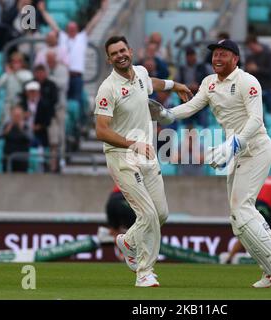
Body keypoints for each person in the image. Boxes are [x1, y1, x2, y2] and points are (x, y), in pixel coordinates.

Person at [161, 39, 271, 288]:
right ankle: (270, 267)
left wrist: (234, 143)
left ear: (235, 58)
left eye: (223, 54)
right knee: (237, 218)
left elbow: (256, 120)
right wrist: (167, 114)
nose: (217, 59)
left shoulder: (248, 81)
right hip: (235, 151)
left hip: (255, 148)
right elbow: (192, 106)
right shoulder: (209, 83)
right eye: (214, 55)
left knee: (242, 207)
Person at [94, 36, 192, 287]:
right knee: (147, 214)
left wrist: (176, 84)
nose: (120, 55)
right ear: (109, 59)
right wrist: (131, 143)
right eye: (114, 53)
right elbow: (101, 131)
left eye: (122, 50)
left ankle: (127, 242)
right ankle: (144, 272)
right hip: (122, 156)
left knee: (160, 214)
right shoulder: (108, 88)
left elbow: (151, 83)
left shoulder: (139, 73)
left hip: (146, 155)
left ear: (131, 51)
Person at [39, 0, 109, 124]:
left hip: (77, 76)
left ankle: (80, 125)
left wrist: (102, 10)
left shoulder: (81, 38)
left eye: (74, 28)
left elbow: (93, 24)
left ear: (77, 29)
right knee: (63, 103)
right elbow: (52, 24)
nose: (71, 30)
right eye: (69, 28)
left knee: (77, 102)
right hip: (63, 75)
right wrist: (43, 11)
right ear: (66, 29)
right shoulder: (62, 37)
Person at [226, 161, 271, 264]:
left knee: (248, 232)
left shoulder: (270, 177)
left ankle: (229, 257)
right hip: (264, 206)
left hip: (251, 204)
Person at [175, 46, 213, 127]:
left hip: (201, 103)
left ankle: (205, 138)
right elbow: (175, 84)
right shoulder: (181, 69)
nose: (190, 57)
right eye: (188, 55)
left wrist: (200, 87)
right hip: (186, 102)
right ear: (186, 57)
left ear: (195, 55)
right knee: (186, 128)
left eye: (192, 55)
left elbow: (213, 81)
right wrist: (188, 87)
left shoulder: (204, 67)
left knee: (204, 127)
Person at [244, 35, 271, 118]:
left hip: (268, 88)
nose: (251, 50)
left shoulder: (269, 54)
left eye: (251, 48)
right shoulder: (250, 57)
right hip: (255, 90)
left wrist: (257, 69)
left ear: (255, 43)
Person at [0, 52, 33, 120]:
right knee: (7, 125)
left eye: (18, 62)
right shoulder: (8, 74)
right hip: (8, 104)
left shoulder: (27, 73)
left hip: (22, 104)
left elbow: (28, 84)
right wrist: (7, 74)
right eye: (14, 62)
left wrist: (15, 73)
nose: (16, 64)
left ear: (22, 63)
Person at [0, 105, 30, 172]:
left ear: (22, 116)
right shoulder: (7, 125)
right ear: (11, 115)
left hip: (21, 158)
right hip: (8, 158)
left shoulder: (26, 126)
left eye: (18, 115)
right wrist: (6, 131)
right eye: (15, 115)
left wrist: (22, 129)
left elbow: (31, 138)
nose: (17, 117)